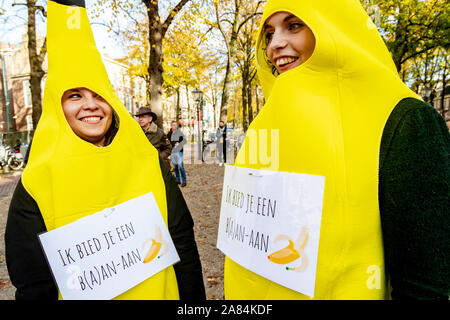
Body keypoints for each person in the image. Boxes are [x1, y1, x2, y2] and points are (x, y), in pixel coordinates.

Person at [224, 0, 449, 300]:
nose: (274, 45)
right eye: (268, 34)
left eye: (294, 25)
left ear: (334, 27)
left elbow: (425, 285)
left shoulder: (407, 120)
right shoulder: (266, 122)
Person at [5, 0, 205, 300]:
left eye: (99, 94)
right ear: (56, 108)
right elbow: (33, 283)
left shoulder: (147, 162)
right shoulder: (36, 182)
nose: (90, 104)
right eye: (75, 95)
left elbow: (182, 243)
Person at [135, 106, 173, 171]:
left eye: (143, 117)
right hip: (140, 167)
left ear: (150, 119)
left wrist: (159, 158)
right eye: (139, 117)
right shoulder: (136, 132)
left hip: (156, 168)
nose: (140, 119)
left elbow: (168, 148)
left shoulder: (159, 133)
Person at [167, 121, 187, 187]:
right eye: (173, 125)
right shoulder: (169, 134)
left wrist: (179, 144)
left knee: (181, 166)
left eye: (175, 125)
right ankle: (178, 180)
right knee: (175, 167)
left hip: (179, 151)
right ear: (171, 126)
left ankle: (184, 181)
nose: (174, 126)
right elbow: (168, 142)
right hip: (173, 152)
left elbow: (184, 141)